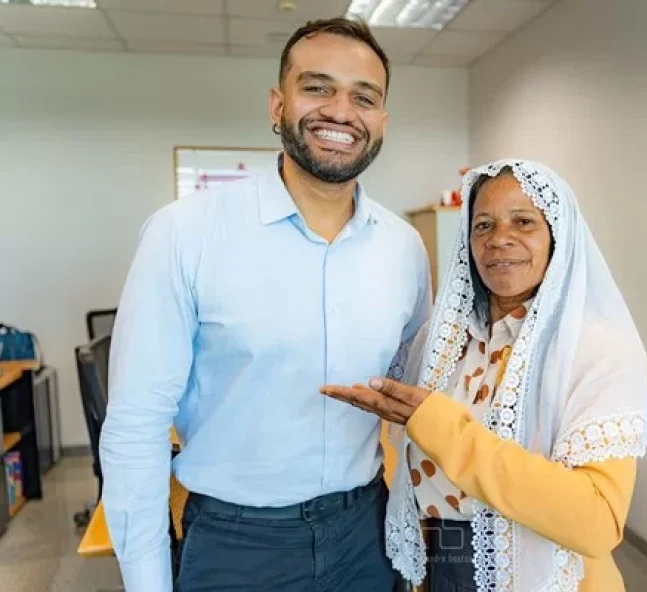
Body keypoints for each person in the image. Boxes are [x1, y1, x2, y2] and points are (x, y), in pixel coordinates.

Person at [99, 17, 431, 592]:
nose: (340, 111)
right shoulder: (186, 233)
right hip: (236, 546)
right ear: (278, 106)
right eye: (317, 87)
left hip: (366, 534)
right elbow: (135, 427)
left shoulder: (404, 248)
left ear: (381, 121)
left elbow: (415, 396)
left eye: (364, 97)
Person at [322, 159, 647, 592]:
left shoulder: (596, 348)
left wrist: (445, 429)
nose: (500, 239)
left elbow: (595, 521)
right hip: (441, 565)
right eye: (482, 225)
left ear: (558, 237)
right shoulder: (442, 340)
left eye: (524, 221)